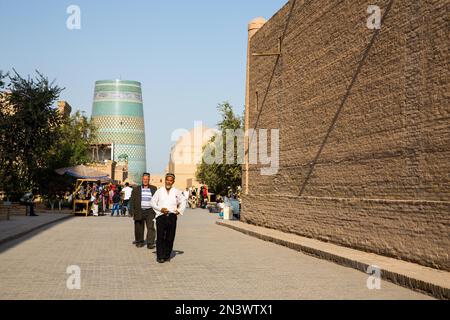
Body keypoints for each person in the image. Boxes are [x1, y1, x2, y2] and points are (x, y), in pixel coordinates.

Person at [150, 173, 186, 263]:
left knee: (170, 237)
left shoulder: (176, 191)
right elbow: (152, 202)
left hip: (172, 216)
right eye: (167, 180)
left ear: (173, 181)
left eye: (170, 180)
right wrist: (160, 209)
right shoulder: (159, 191)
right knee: (160, 237)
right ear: (165, 180)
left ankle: (167, 255)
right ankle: (160, 256)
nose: (168, 182)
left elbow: (183, 200)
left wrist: (180, 210)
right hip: (161, 216)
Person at [129, 173, 158, 249]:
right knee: (138, 227)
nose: (145, 181)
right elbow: (132, 200)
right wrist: (131, 211)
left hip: (150, 211)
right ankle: (139, 241)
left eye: (147, 179)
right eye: (144, 179)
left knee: (151, 227)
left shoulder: (154, 188)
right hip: (139, 211)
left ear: (149, 180)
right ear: (142, 179)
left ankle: (150, 243)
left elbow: (157, 199)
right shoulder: (136, 189)